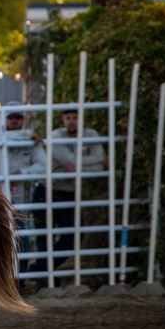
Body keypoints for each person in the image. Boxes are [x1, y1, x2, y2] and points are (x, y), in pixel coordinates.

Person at [0, 102, 47, 262]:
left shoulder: (29, 140)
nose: (14, 120)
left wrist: (23, 173)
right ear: (3, 119)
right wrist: (27, 134)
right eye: (10, 117)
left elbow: (43, 165)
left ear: (23, 119)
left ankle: (18, 281)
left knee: (18, 236)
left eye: (18, 117)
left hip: (14, 195)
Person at [45, 108, 108, 257]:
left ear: (83, 121)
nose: (71, 121)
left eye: (75, 117)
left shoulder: (91, 135)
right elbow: (97, 160)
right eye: (68, 118)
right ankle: (43, 275)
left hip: (70, 192)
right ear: (63, 120)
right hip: (48, 190)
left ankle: (40, 270)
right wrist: (96, 160)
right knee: (45, 238)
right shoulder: (56, 135)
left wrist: (76, 168)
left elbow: (100, 167)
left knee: (72, 238)